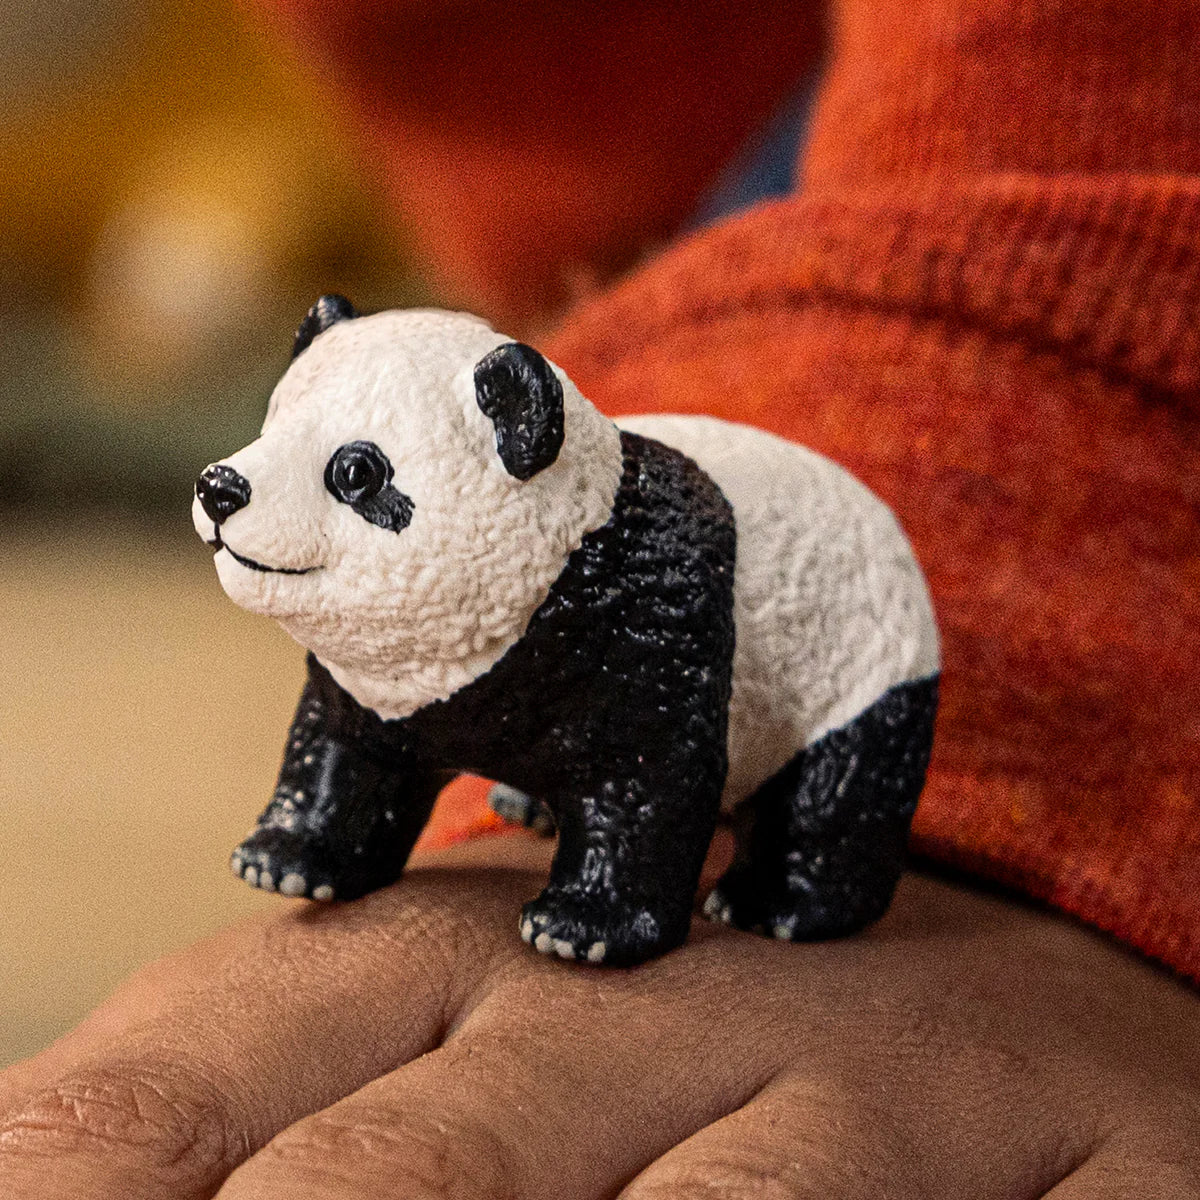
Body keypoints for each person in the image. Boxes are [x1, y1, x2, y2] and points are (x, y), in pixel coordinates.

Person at [2, 1, 1197, 1195]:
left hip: (885, 564)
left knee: (720, 825)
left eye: (355, 479)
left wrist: (1046, 444)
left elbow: (652, 768)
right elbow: (362, 717)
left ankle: (769, 873)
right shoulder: (434, 571)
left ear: (516, 435)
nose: (232, 485)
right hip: (687, 188)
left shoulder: (637, 580)